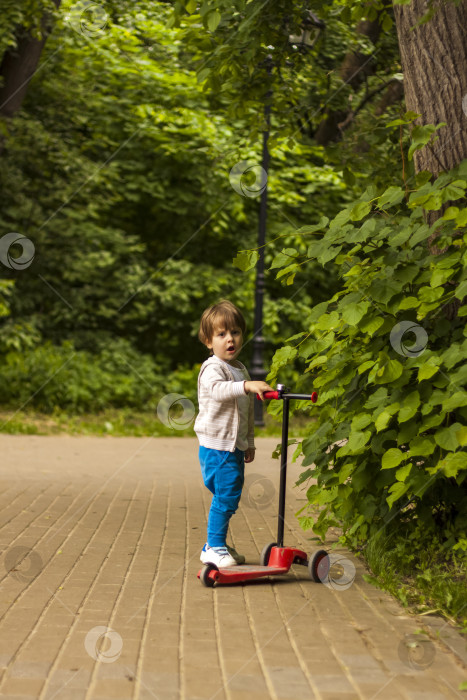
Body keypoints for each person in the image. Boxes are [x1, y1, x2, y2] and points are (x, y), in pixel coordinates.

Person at [194, 300, 274, 568]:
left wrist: (248, 443)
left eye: (235, 332)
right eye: (221, 334)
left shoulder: (239, 369)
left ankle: (216, 543)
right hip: (217, 446)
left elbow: (246, 411)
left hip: (233, 446)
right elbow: (218, 391)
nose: (230, 339)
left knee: (229, 495)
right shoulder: (212, 368)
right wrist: (246, 385)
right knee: (226, 495)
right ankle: (213, 546)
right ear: (208, 341)